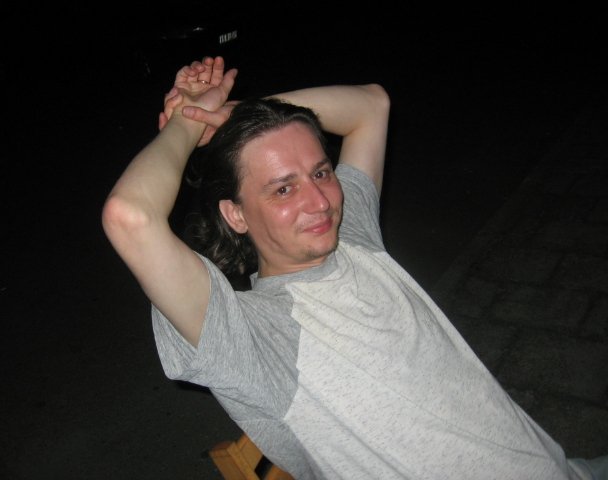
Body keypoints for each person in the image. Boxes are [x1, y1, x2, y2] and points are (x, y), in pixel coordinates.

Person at [102, 56, 606, 479]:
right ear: (235, 215)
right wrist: (188, 123)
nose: (320, 201)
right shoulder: (252, 337)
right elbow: (130, 216)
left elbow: (370, 104)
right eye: (283, 188)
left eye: (320, 172)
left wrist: (237, 116)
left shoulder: (353, 236)